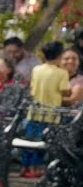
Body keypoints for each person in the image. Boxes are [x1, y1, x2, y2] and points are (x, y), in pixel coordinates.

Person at [24, 41, 73, 177]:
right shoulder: (61, 73)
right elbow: (64, 91)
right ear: (59, 56)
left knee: (29, 139)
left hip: (34, 111)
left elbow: (32, 90)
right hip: (51, 113)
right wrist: (69, 92)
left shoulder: (37, 70)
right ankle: (35, 169)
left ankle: (25, 167)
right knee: (43, 141)